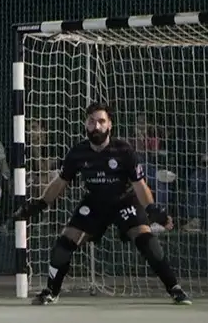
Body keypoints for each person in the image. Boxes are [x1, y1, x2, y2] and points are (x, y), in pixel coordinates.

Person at [13, 101, 192, 305]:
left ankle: (174, 288)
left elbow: (139, 185)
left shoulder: (124, 150)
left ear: (110, 125)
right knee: (64, 243)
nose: (96, 126)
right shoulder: (78, 152)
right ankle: (51, 291)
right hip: (95, 202)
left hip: (124, 201)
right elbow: (60, 182)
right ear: (85, 125)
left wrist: (152, 209)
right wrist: (39, 204)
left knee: (146, 240)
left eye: (101, 121)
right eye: (91, 122)